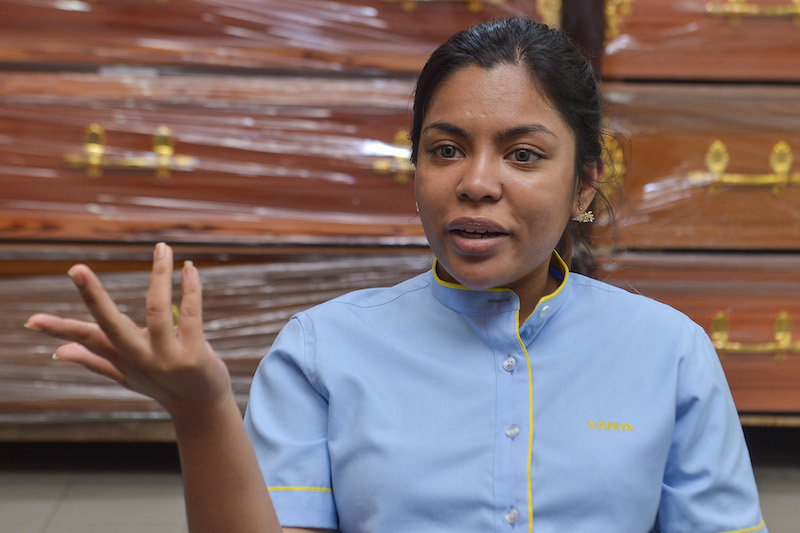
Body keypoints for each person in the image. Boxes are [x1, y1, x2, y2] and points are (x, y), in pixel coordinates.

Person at [24, 17, 766, 533]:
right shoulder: (321, 350)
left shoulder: (668, 351)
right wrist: (202, 409)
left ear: (584, 185)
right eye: (446, 150)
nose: (476, 183)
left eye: (523, 154)